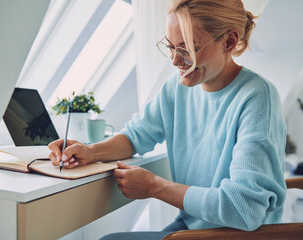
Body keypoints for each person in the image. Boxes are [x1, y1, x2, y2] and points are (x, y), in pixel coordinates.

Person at [48, 0, 287, 239]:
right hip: (191, 227)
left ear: (229, 41)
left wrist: (155, 187)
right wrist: (90, 151)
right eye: (171, 46)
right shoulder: (177, 89)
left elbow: (244, 209)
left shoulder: (257, 98)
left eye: (187, 49)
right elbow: (135, 136)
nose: (174, 61)